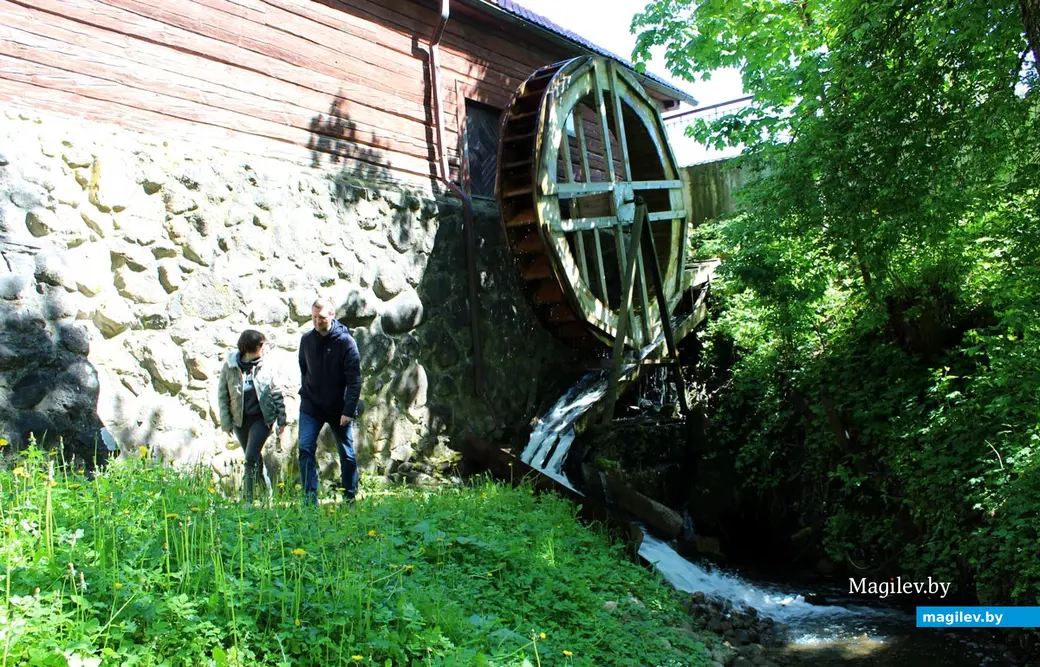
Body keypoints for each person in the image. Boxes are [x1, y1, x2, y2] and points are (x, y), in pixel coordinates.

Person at [297, 298, 362, 504]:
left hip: (338, 408)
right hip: (311, 405)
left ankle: (349, 497)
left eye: (322, 318)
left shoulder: (346, 342)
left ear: (332, 316)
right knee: (305, 449)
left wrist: (348, 410)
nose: (317, 321)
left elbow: (354, 380)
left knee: (347, 453)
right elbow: (304, 369)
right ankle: (310, 501)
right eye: (314, 317)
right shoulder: (306, 340)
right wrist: (308, 391)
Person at [217, 330, 286, 503]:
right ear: (250, 348)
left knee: (249, 459)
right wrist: (226, 423)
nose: (263, 348)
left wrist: (282, 420)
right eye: (261, 345)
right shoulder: (229, 366)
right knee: (255, 458)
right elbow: (223, 396)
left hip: (262, 419)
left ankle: (247, 501)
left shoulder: (265, 365)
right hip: (240, 421)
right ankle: (267, 496)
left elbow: (276, 392)